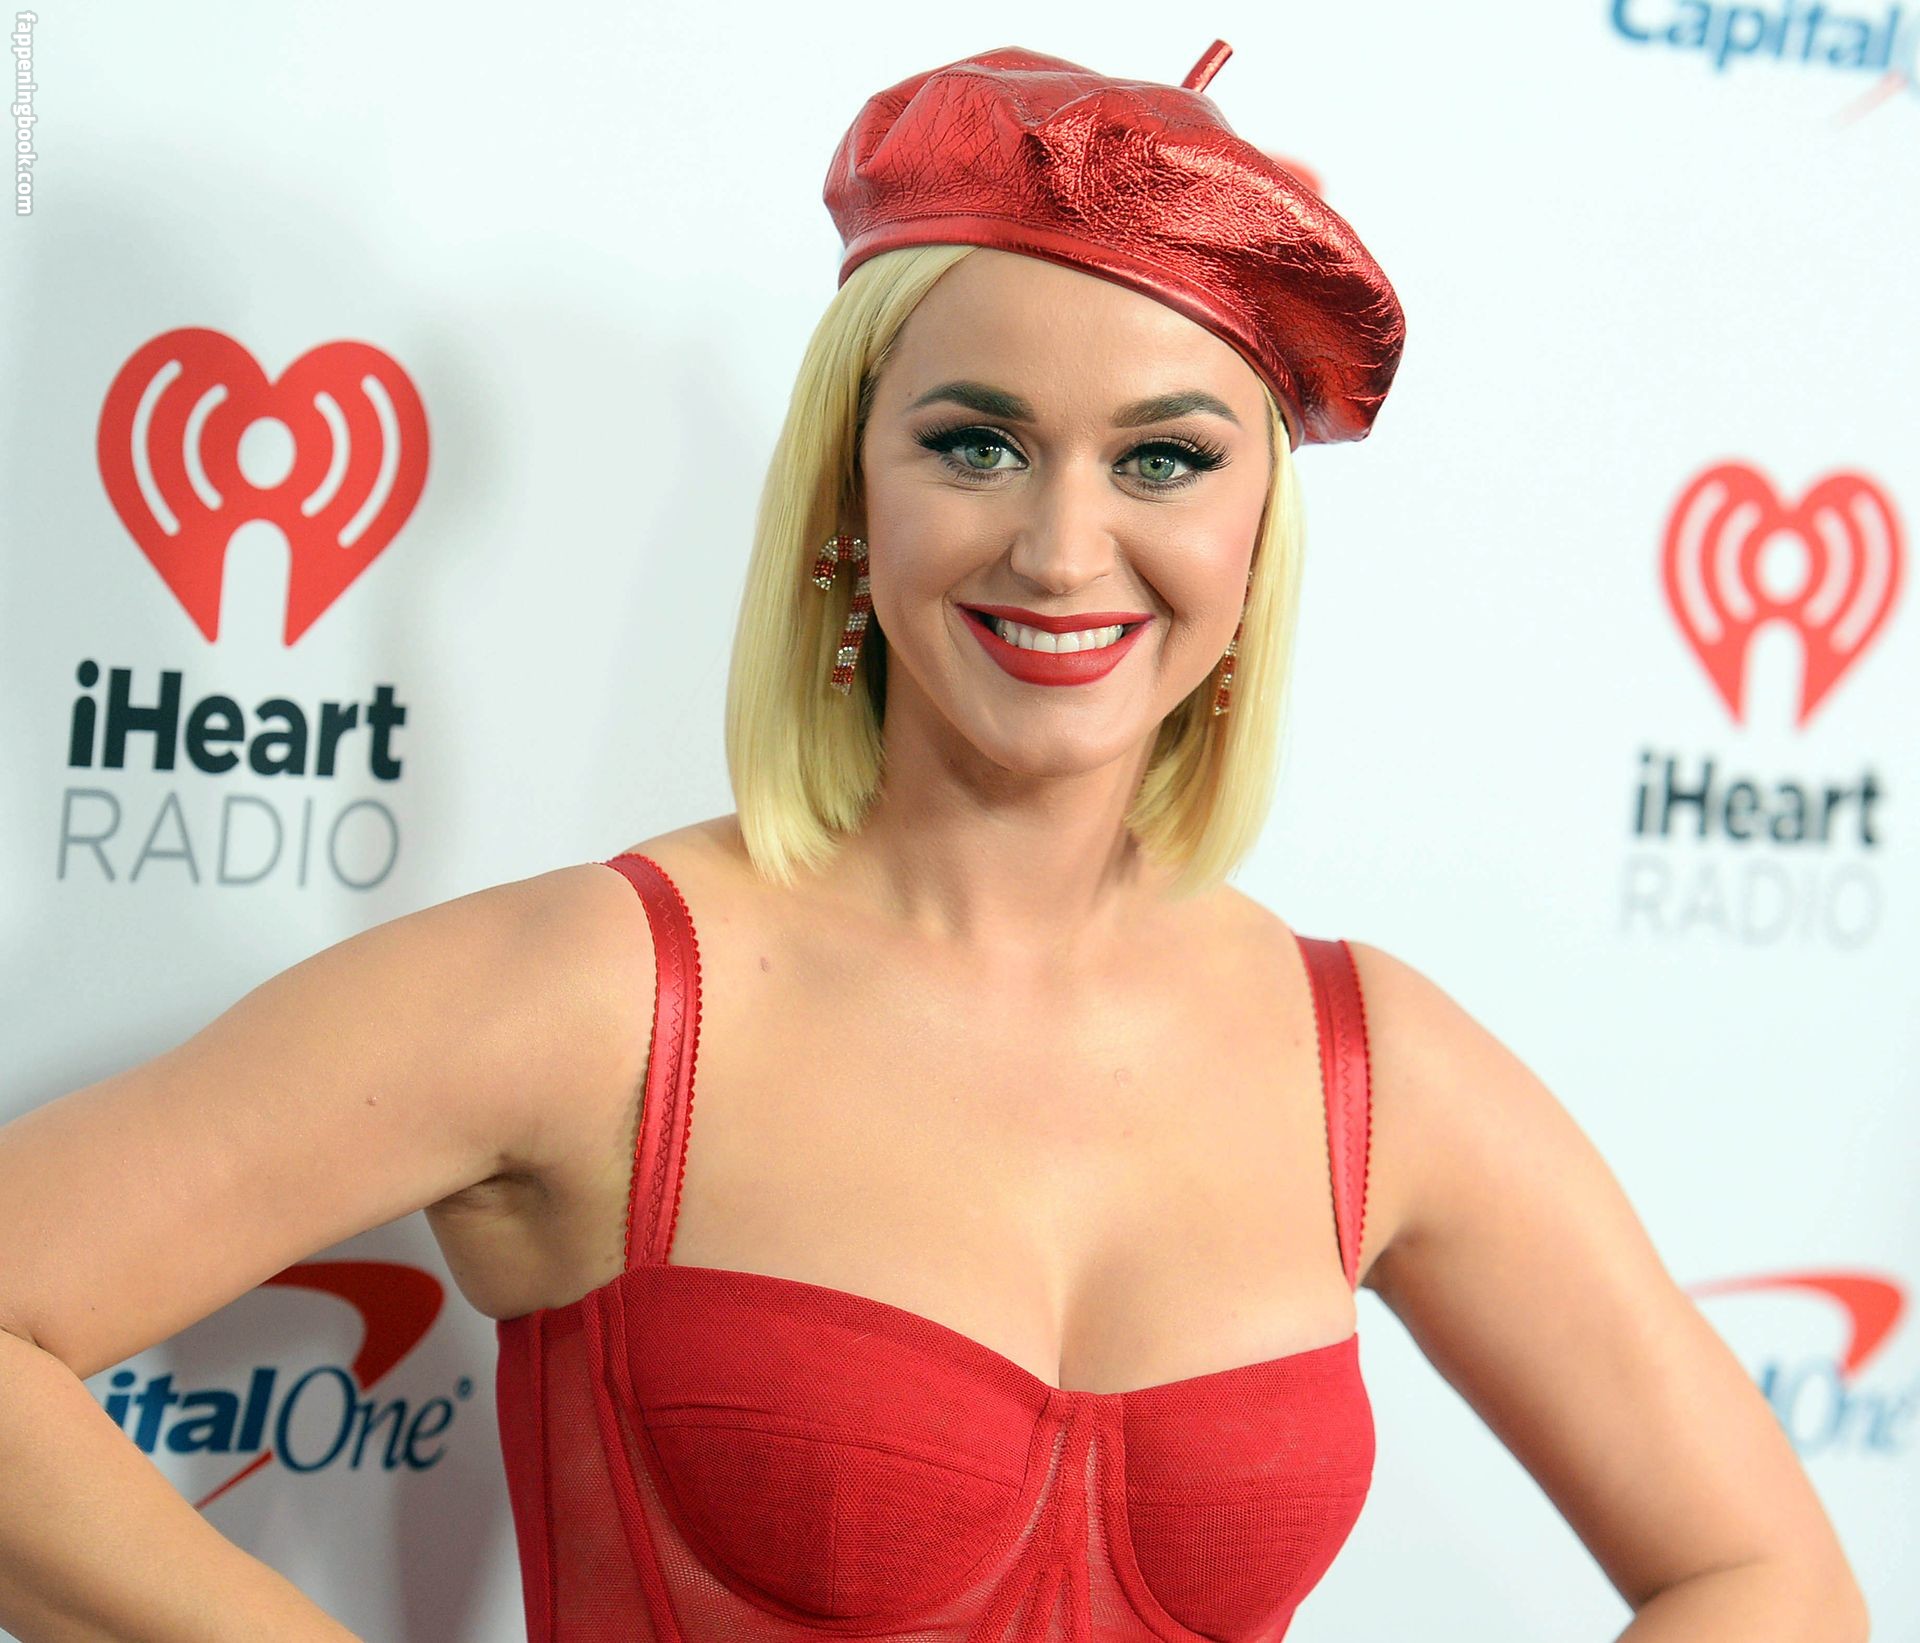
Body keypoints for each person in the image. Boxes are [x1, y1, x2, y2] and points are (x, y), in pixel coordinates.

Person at [0, 37, 1869, 1643]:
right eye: (977, 443)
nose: (1061, 549)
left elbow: (1765, 1575)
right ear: (851, 490)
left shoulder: (1368, 1064)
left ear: (1254, 538)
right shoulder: (610, 996)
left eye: (1165, 458)